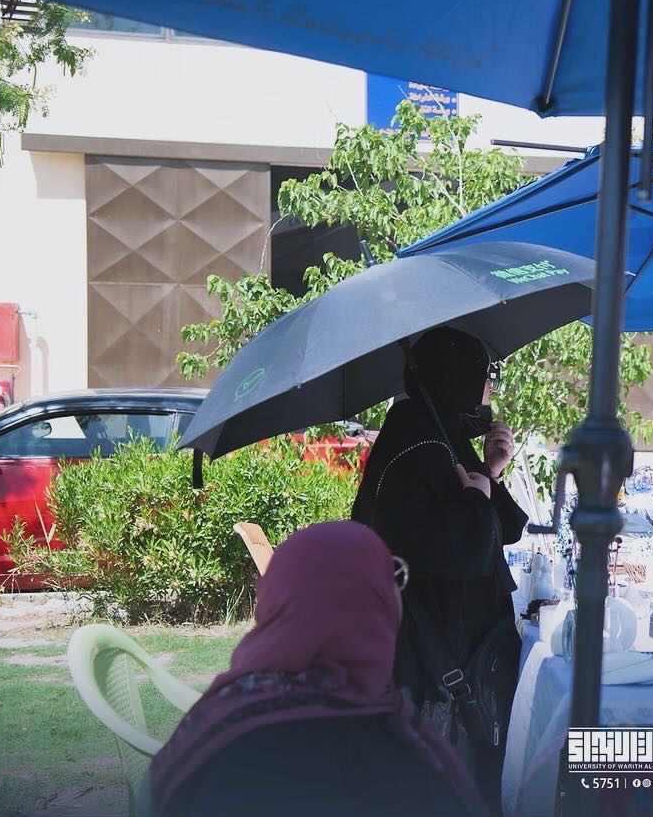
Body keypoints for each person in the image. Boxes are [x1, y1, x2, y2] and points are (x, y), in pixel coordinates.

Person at [150, 521, 488, 817]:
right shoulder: (404, 763)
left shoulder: (223, 715)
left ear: (274, 602)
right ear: (375, 607)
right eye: (392, 577)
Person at [350, 326, 526, 810]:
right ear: (457, 376)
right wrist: (477, 498)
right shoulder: (420, 446)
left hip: (441, 648)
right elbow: (457, 548)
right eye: (485, 375)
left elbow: (503, 527)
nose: (488, 387)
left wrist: (490, 473)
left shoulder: (431, 433)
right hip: (431, 659)